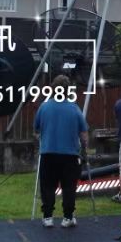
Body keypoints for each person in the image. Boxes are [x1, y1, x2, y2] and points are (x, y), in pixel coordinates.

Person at [33, 75, 89, 228]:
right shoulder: (74, 108)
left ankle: (48, 216)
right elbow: (84, 134)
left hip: (48, 152)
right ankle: (68, 216)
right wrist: (85, 148)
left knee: (48, 186)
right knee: (69, 187)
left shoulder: (44, 107)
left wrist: (42, 138)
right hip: (69, 155)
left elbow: (36, 130)